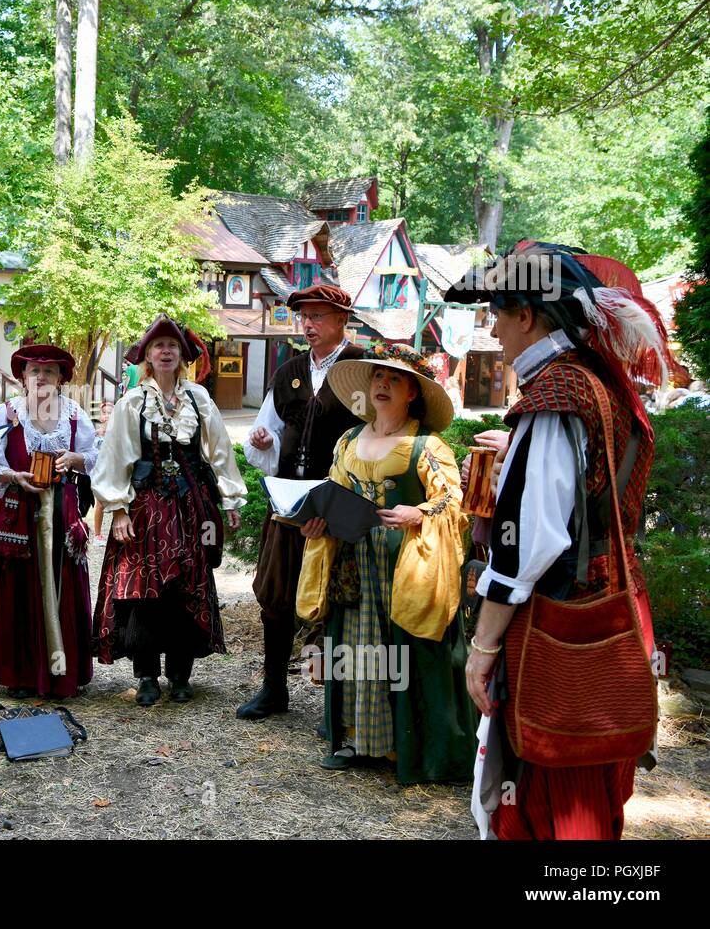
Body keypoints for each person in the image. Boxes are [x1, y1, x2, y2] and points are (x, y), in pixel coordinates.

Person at [453, 242, 665, 840]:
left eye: (497, 313)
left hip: (562, 626)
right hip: (613, 607)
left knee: (554, 796)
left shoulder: (553, 400)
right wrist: (518, 452)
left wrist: (485, 644)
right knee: (587, 788)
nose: (492, 328)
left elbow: (531, 545)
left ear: (527, 316)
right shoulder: (595, 382)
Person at [295, 343, 476, 781]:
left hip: (407, 564)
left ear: (412, 392)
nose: (383, 385)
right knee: (356, 647)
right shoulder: (349, 440)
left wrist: (419, 514)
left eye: (394, 379)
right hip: (355, 559)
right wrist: (316, 523)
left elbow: (453, 501)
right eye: (378, 377)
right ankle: (356, 738)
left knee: (404, 651)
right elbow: (331, 494)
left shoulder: (425, 444)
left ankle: (405, 747)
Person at [90, 315, 246, 705]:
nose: (165, 351)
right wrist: (119, 510)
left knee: (184, 588)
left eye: (172, 347)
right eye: (158, 346)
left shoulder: (199, 398)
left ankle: (180, 675)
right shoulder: (132, 402)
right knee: (143, 590)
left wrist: (229, 498)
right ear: (147, 356)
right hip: (145, 509)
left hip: (191, 507)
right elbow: (114, 459)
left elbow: (220, 451)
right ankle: (146, 676)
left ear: (181, 356)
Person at [237, 282, 365, 720]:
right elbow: (267, 434)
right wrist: (263, 439)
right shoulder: (288, 369)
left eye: (318, 317)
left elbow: (375, 441)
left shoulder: (361, 368)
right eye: (303, 317)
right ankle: (274, 690)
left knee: (340, 602)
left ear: (341, 320)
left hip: (340, 505)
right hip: (289, 503)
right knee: (276, 596)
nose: (308, 324)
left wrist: (343, 511)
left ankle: (339, 705)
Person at [0, 345, 98, 699]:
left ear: (61, 379)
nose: (41, 377)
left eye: (49, 371)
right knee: (19, 588)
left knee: (61, 582)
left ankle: (62, 670)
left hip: (61, 510)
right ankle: (21, 674)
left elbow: (95, 457)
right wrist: (13, 475)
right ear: (23, 378)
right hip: (17, 514)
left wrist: (74, 458)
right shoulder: (6, 413)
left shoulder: (74, 415)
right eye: (34, 371)